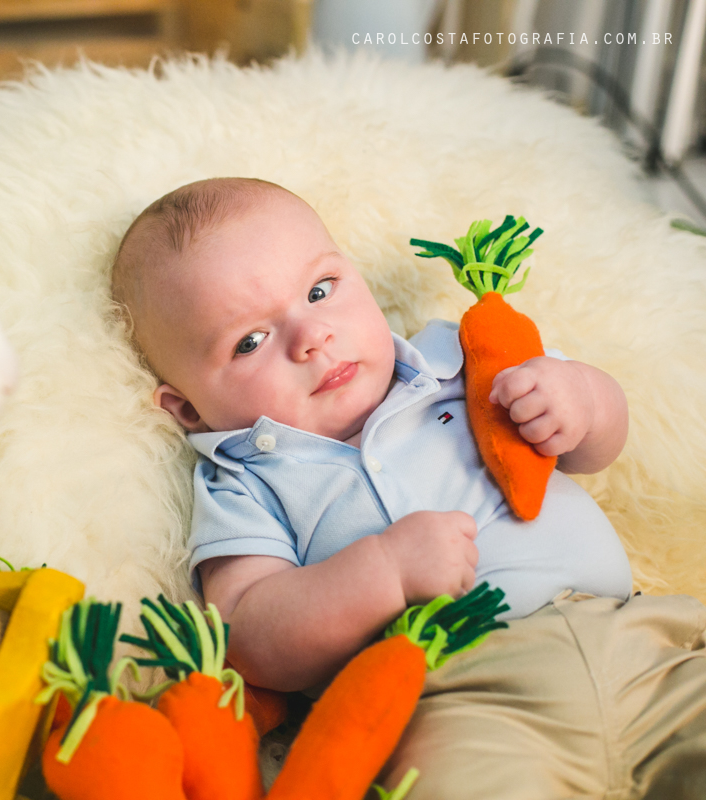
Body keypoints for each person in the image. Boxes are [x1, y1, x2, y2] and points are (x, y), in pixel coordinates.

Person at [111, 176, 706, 799]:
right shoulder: (243, 483)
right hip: (459, 698)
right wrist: (383, 572)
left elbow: (593, 449)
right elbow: (250, 636)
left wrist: (580, 399)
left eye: (319, 291)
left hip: (643, 642)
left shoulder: (457, 359)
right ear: (187, 410)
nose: (311, 337)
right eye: (249, 342)